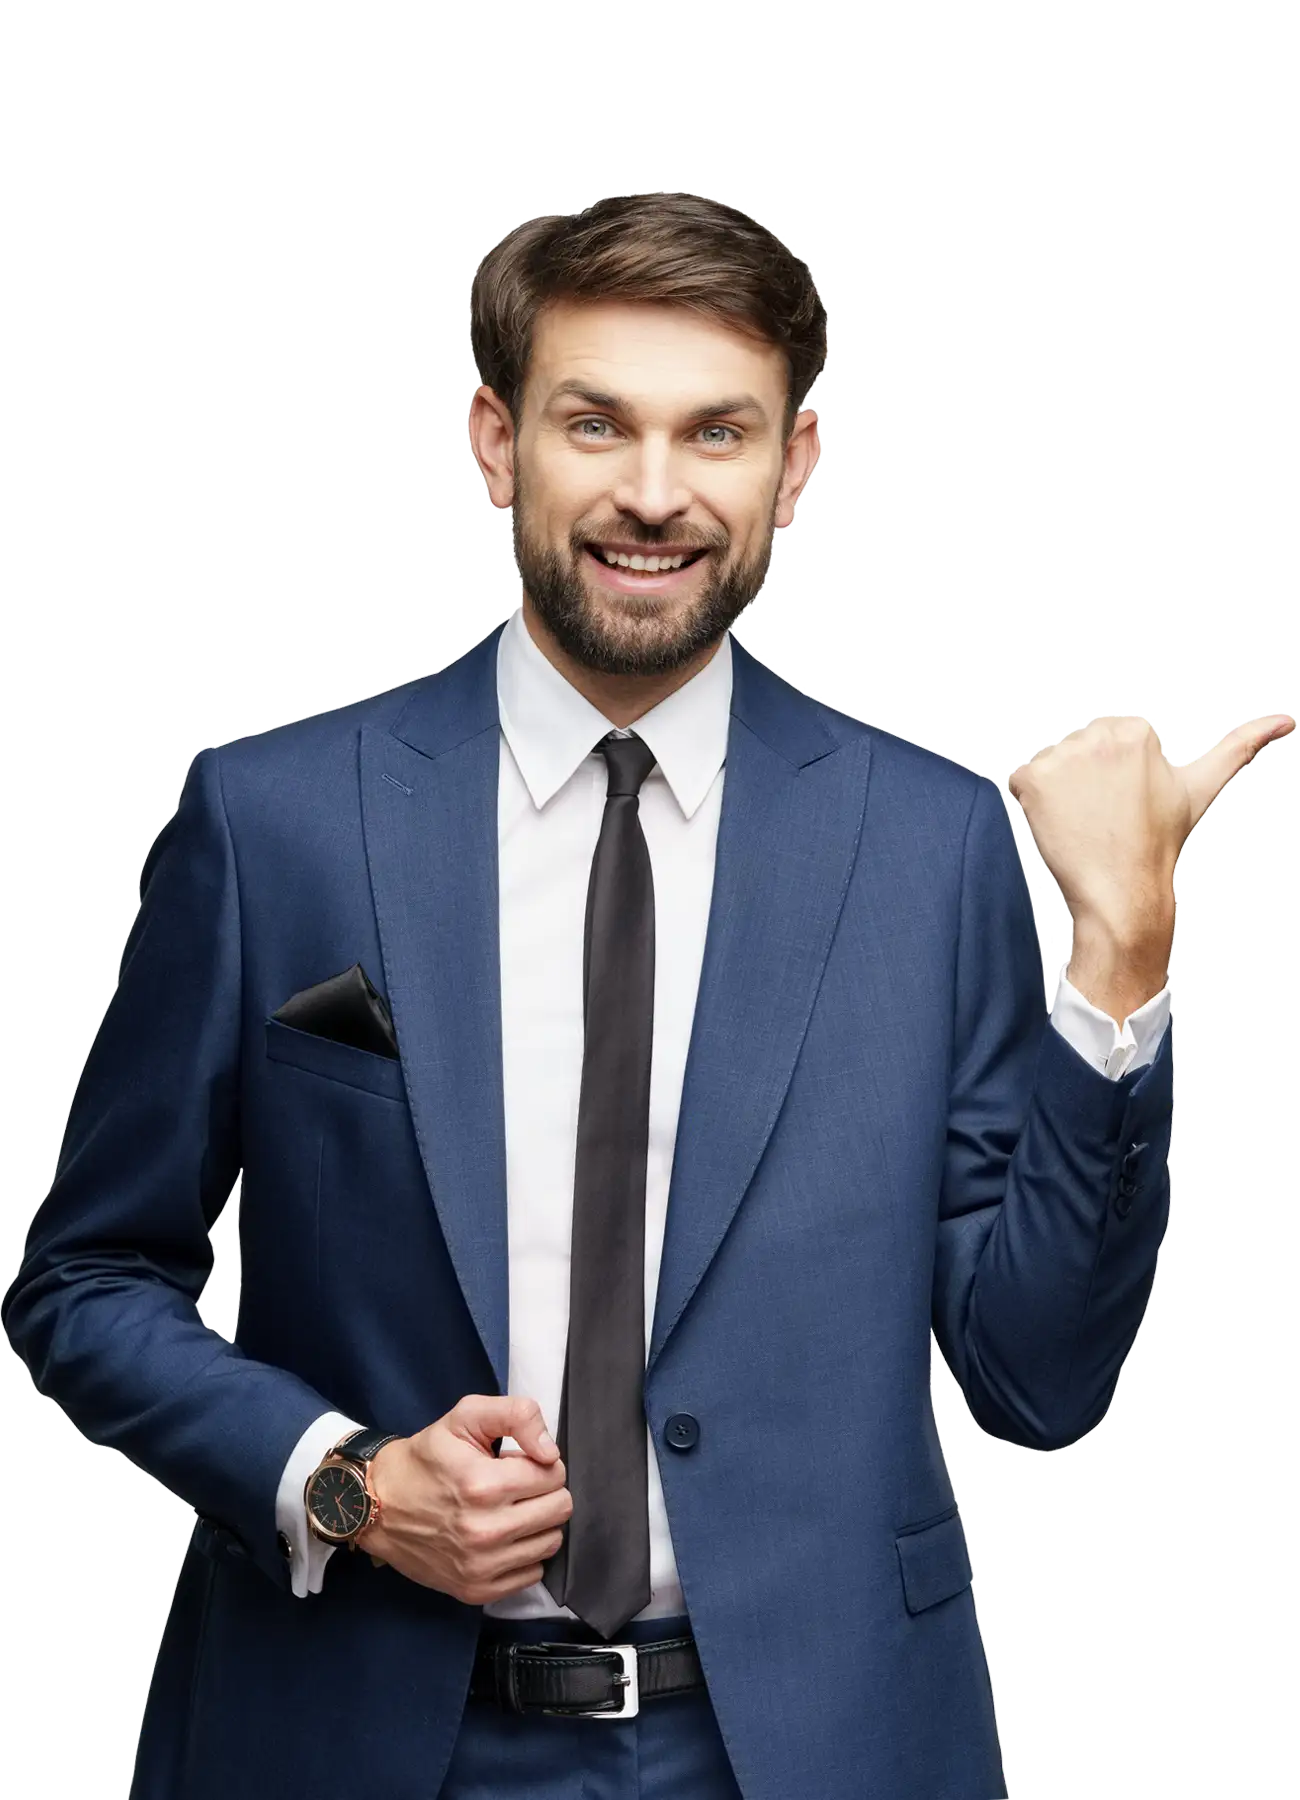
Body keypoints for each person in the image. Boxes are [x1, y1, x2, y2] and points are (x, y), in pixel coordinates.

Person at [1, 190, 1292, 1800]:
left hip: (811, 1750)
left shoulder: (928, 842)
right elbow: (89, 1283)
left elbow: (1037, 1379)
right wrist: (343, 1483)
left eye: (718, 433)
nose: (655, 496)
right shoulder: (275, 822)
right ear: (496, 436)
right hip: (353, 1734)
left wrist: (1122, 959)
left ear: (797, 462)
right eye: (596, 424)